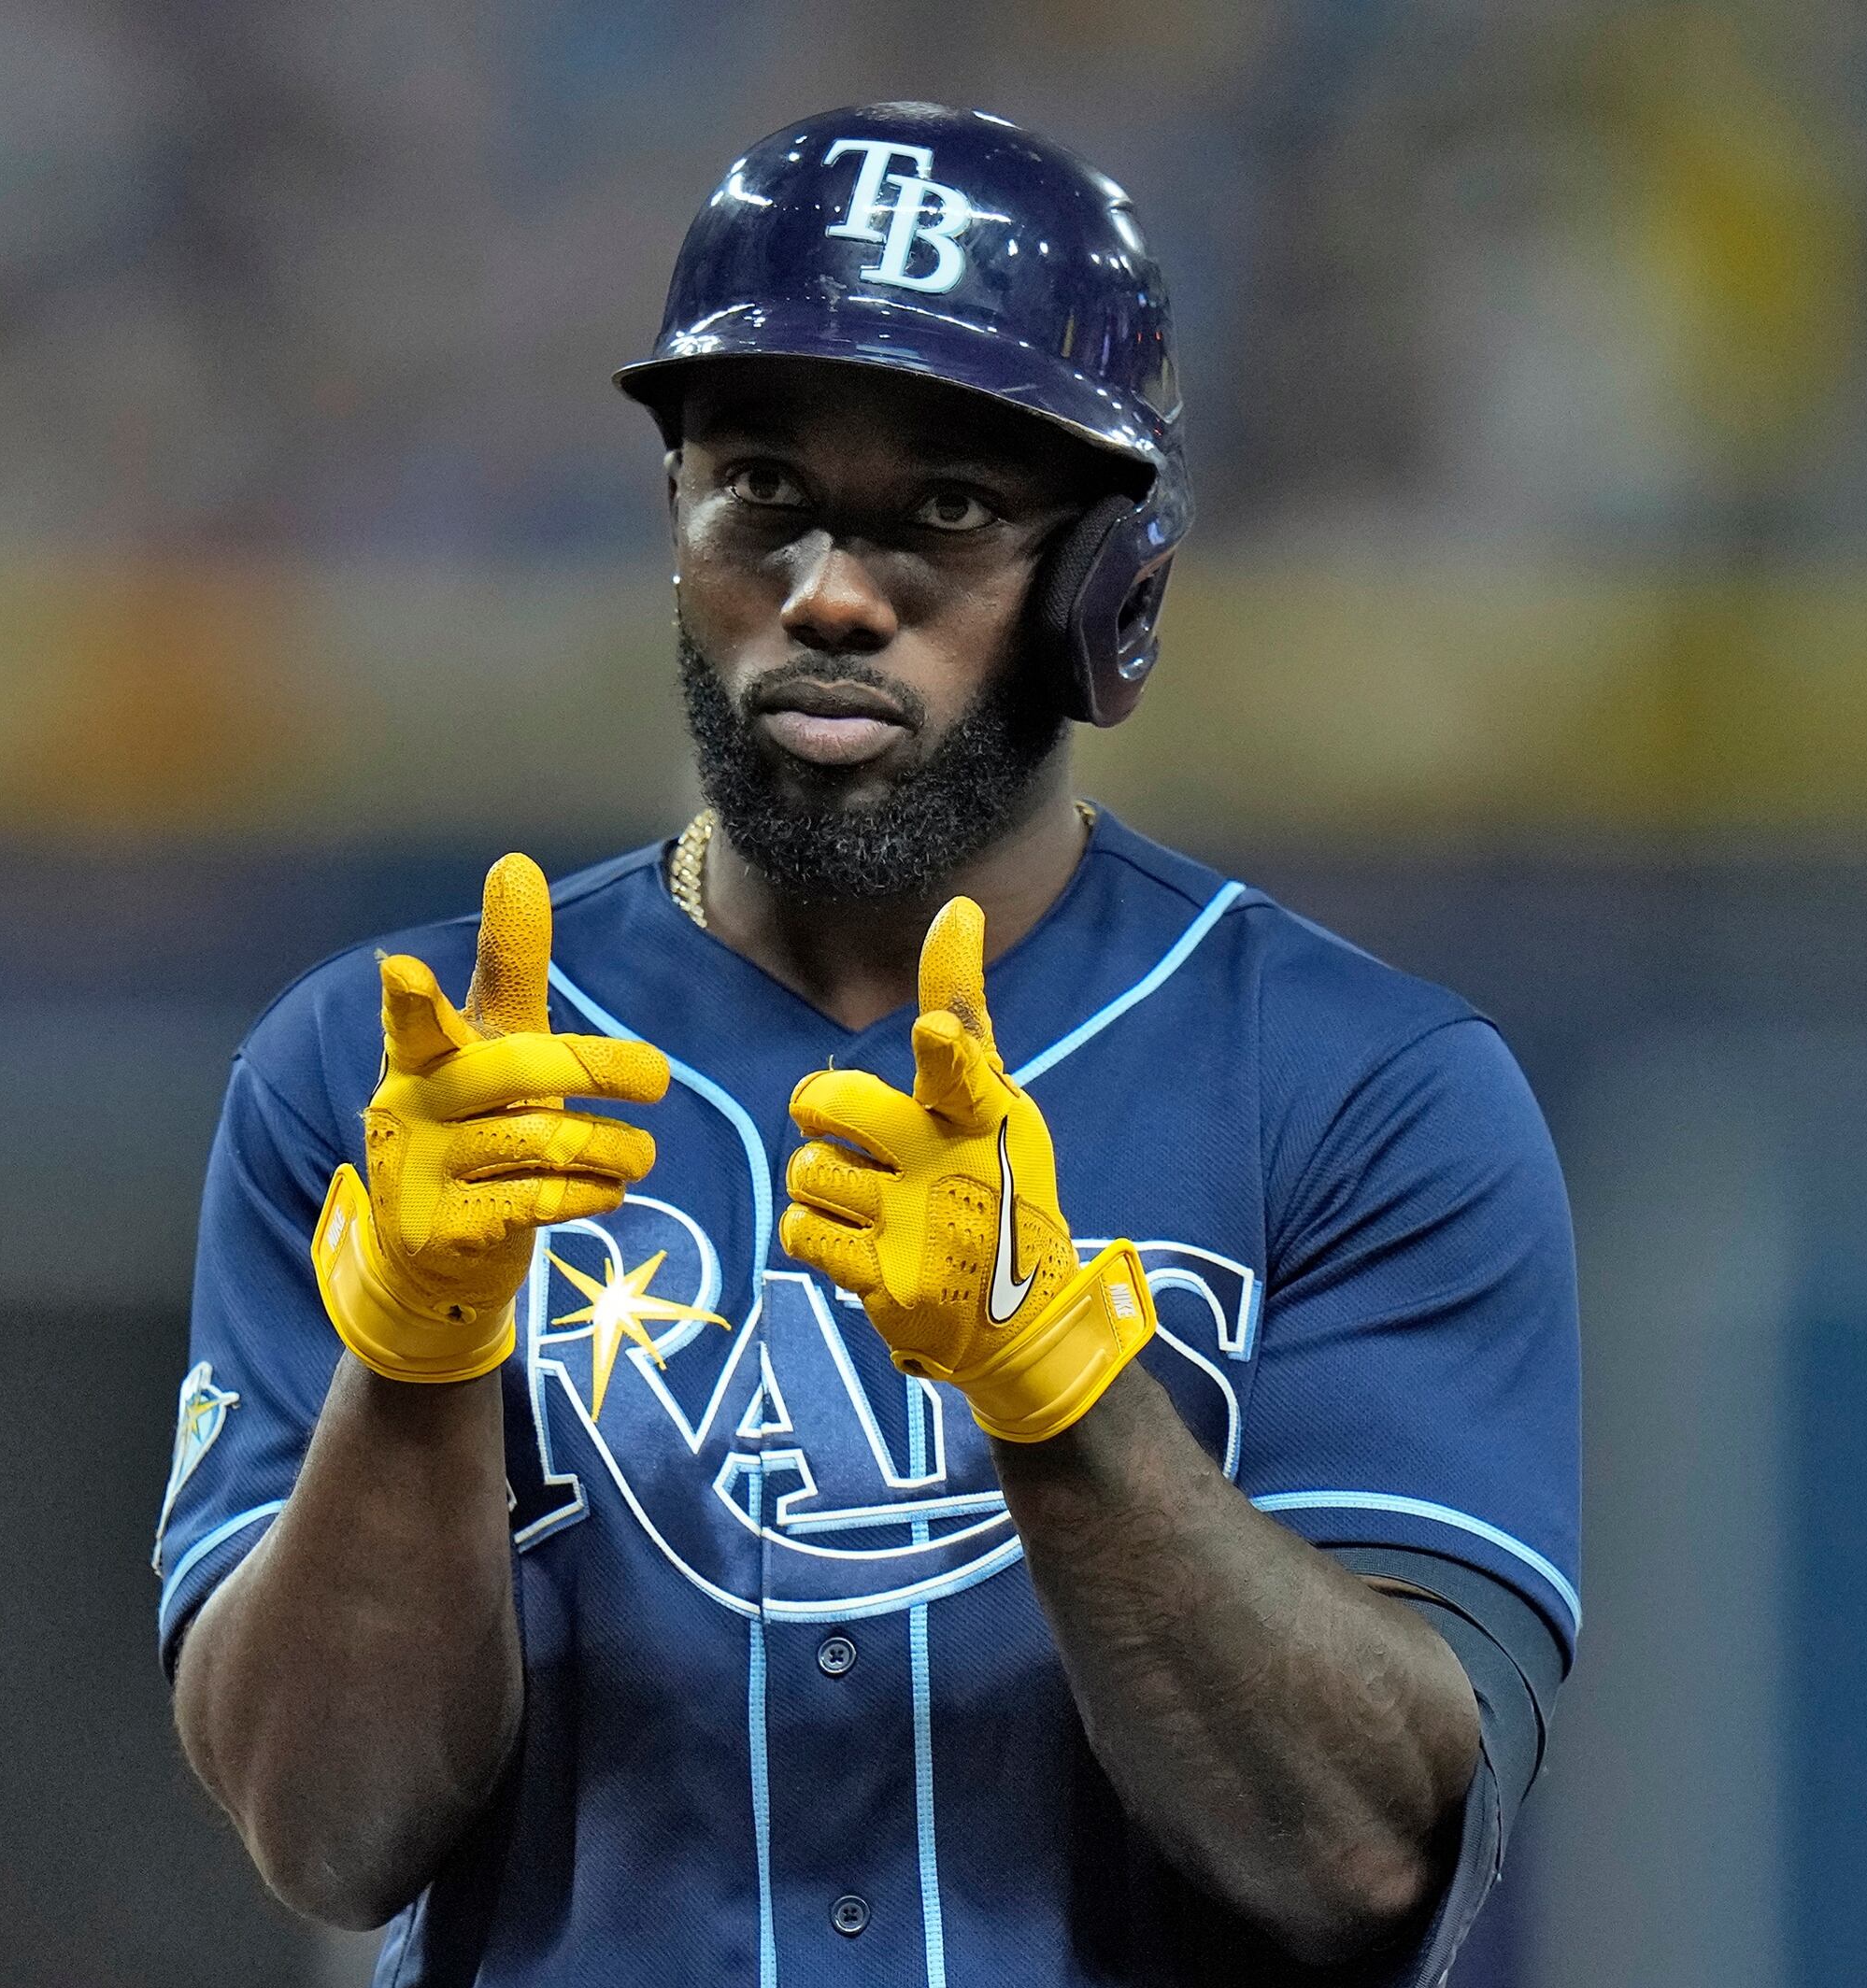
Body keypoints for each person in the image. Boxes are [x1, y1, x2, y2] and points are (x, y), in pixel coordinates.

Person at [155, 102, 1578, 1987]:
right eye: (761, 489)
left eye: (947, 510)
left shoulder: (1364, 1094)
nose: (830, 591)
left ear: (1111, 584)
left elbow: (1358, 1854)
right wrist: (409, 1372)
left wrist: (1056, 1388)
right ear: (674, 522)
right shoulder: (393, 1077)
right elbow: (328, 1838)